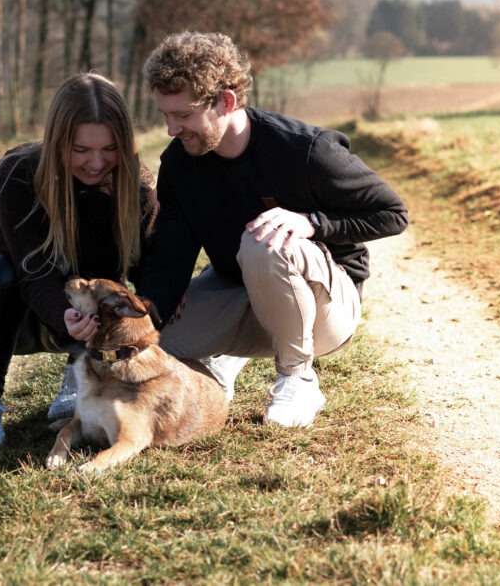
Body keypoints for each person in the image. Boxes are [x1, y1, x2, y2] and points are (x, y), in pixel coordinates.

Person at [132, 31, 408, 427]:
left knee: (265, 239)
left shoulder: (305, 150)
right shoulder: (179, 163)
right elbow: (172, 253)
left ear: (226, 101)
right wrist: (148, 311)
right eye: (165, 114)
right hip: (241, 292)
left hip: (324, 310)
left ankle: (298, 378)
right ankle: (214, 375)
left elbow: (392, 212)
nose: (173, 128)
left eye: (183, 115)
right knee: (157, 347)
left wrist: (312, 223)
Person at [0, 72, 157, 452]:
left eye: (109, 149)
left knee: (110, 291)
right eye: (80, 150)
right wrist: (63, 313)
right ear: (58, 141)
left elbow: (148, 272)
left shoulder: (137, 187)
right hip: (1, 303)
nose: (96, 163)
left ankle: (81, 373)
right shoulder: (18, 173)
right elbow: (33, 270)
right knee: (0, 273)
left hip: (81, 313)